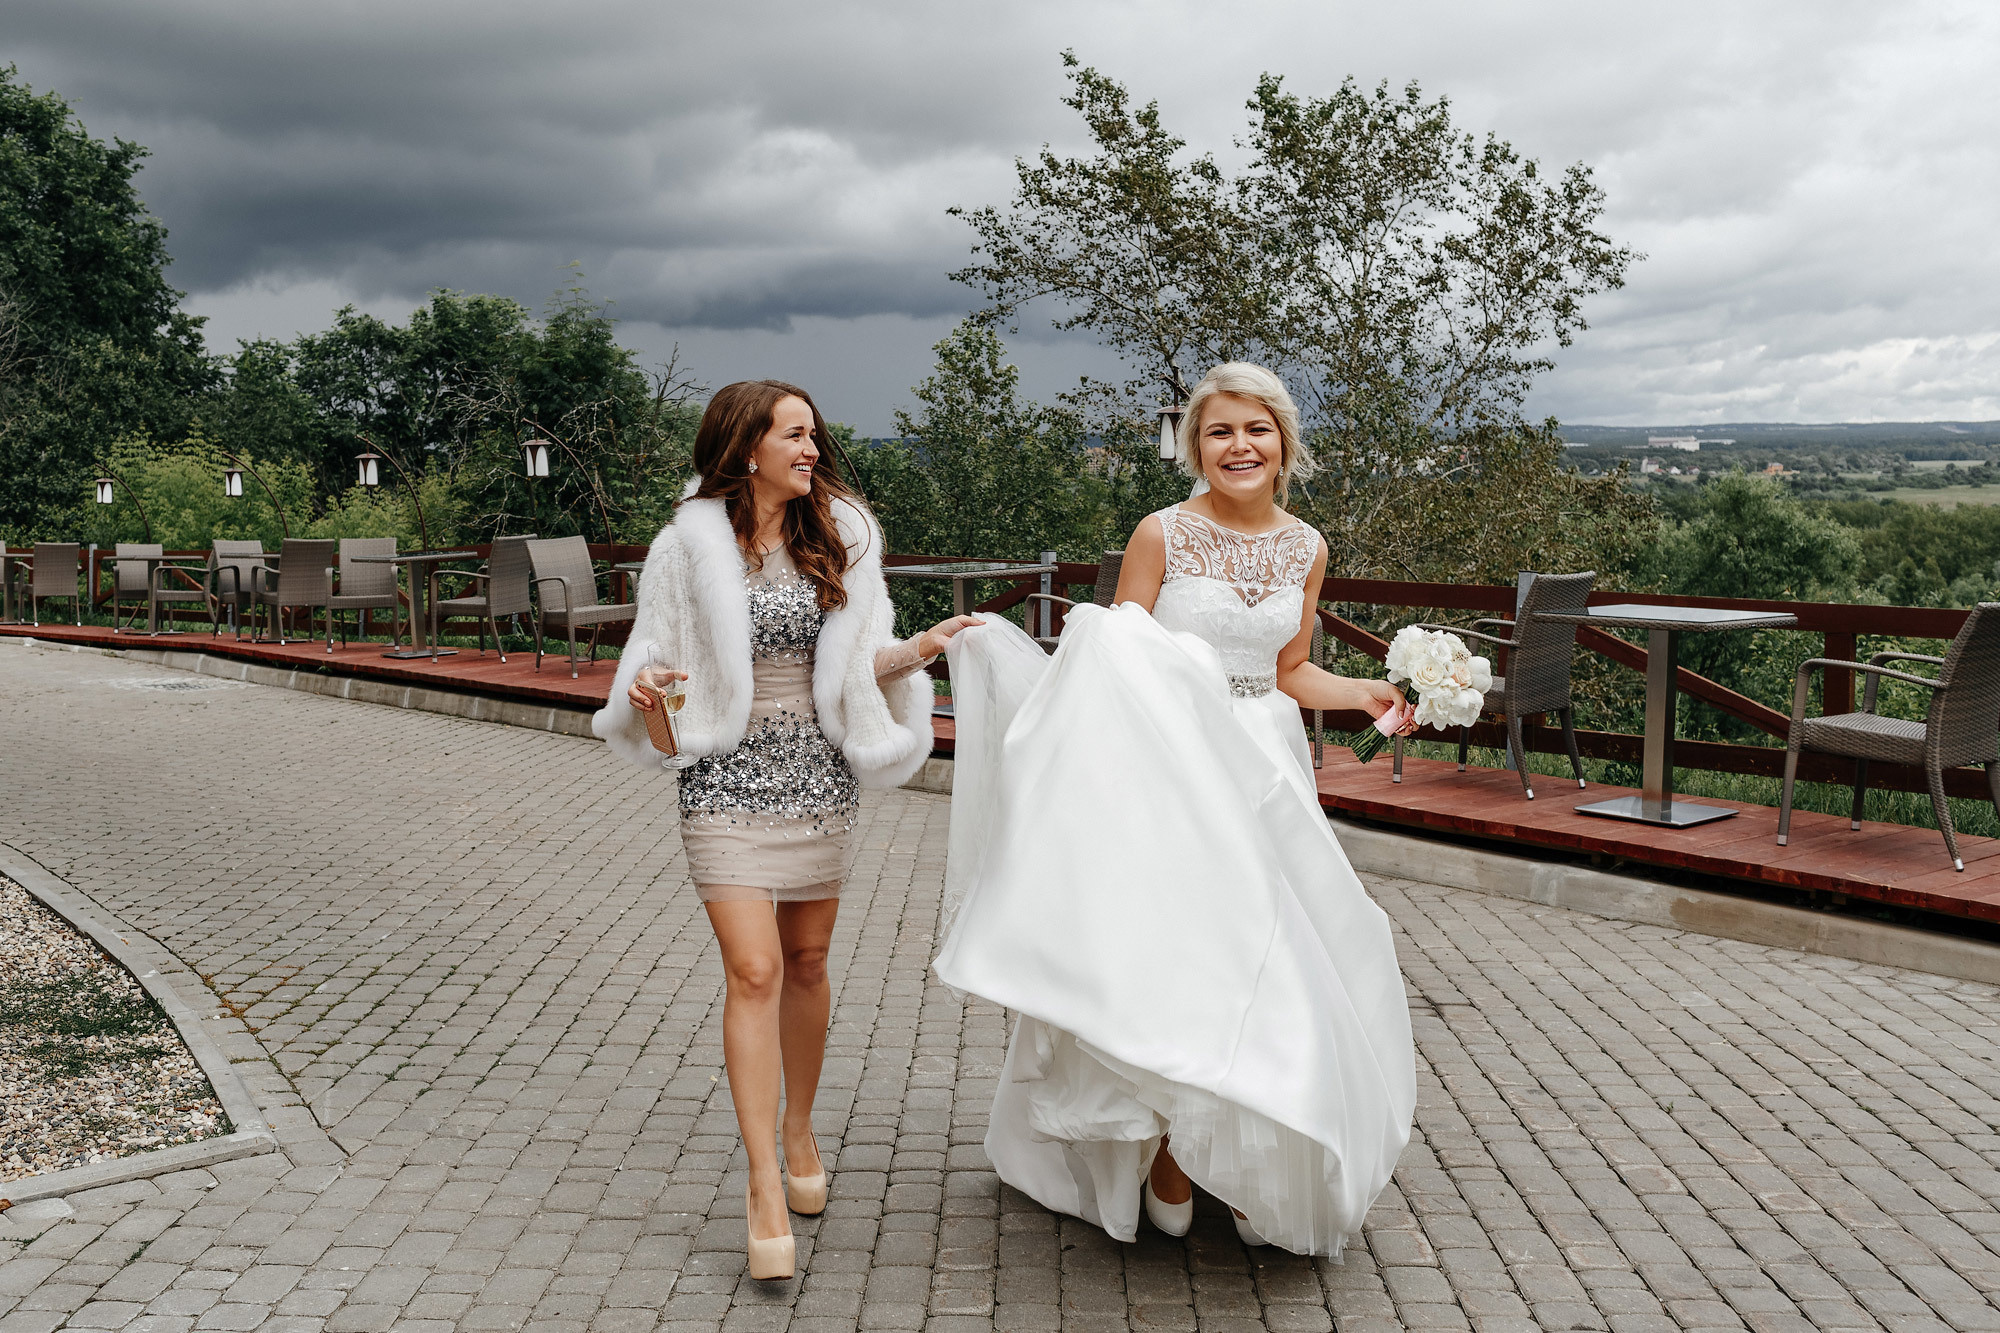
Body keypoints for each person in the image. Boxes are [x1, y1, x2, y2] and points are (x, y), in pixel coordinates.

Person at [932, 361, 1418, 1256]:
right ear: (1197, 445)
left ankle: (1245, 1148)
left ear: (1283, 442)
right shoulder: (1160, 533)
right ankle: (1160, 1144)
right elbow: (1118, 666)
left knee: (1276, 955)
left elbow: (1286, 670)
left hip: (1266, 761)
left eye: (1256, 429)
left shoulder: (1307, 546)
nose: (1240, 446)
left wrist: (1363, 691)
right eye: (1220, 431)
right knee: (1175, 949)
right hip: (1170, 764)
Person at [594, 380, 977, 1279]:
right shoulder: (685, 548)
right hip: (723, 777)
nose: (812, 448)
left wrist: (925, 647)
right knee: (755, 966)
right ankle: (765, 1179)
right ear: (746, 446)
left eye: (814, 435)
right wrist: (651, 696)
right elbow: (659, 684)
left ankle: (800, 1126)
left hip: (818, 773)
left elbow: (856, 666)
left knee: (806, 961)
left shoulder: (839, 536)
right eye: (794, 434)